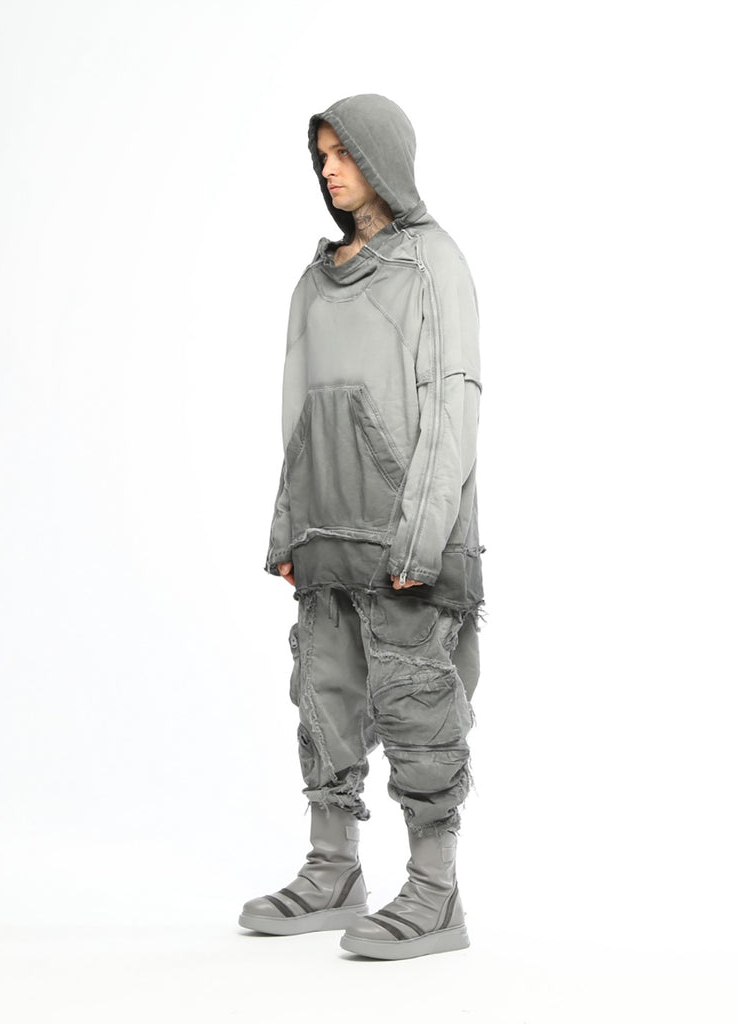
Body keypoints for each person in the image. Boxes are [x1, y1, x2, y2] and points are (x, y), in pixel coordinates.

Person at [238, 93, 486, 960]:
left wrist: (422, 536)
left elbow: (452, 405)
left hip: (404, 537)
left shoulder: (432, 263)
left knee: (418, 704)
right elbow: (296, 415)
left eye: (344, 152)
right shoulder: (313, 282)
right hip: (325, 532)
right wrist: (288, 527)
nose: (330, 169)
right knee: (324, 696)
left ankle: (435, 891)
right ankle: (333, 869)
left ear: (384, 157)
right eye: (321, 156)